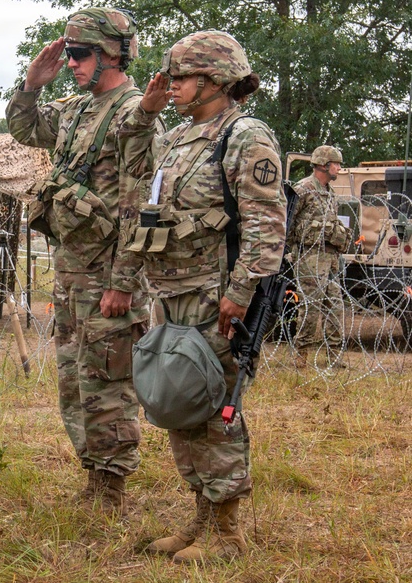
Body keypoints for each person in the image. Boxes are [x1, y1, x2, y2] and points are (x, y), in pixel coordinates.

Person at [134, 30, 287, 562]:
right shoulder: (179, 137)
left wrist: (240, 293)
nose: (171, 85)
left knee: (217, 406)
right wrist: (147, 113)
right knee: (179, 401)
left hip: (216, 298)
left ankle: (228, 532)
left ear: (216, 79)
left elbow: (267, 226)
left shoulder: (245, 137)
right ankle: (200, 520)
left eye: (182, 77)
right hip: (173, 293)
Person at [6, 7, 162, 516]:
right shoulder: (76, 110)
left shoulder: (135, 115)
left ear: (112, 54)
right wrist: (32, 84)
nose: (70, 63)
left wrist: (123, 283)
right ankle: (93, 475)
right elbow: (25, 129)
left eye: (79, 54)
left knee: (109, 380)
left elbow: (140, 206)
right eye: (69, 54)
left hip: (109, 275)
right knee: (75, 380)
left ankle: (112, 485)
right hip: (73, 271)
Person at [288, 145, 348, 366]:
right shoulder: (303, 189)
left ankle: (334, 355)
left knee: (335, 306)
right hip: (310, 257)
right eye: (336, 164)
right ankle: (301, 354)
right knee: (311, 307)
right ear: (324, 165)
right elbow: (287, 222)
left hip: (330, 259)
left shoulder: (330, 193)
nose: (339, 168)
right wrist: (290, 251)